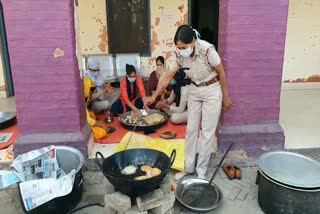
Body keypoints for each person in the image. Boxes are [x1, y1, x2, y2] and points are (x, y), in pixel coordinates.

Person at [143, 25, 233, 180]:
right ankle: (189, 168)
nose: (180, 50)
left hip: (212, 90)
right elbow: (167, 77)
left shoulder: (207, 51)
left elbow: (222, 73)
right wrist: (154, 96)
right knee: (191, 130)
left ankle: (202, 171)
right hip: (194, 89)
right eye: (178, 47)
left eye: (183, 47)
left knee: (206, 133)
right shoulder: (180, 55)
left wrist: (226, 97)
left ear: (192, 41)